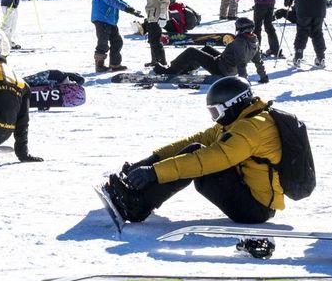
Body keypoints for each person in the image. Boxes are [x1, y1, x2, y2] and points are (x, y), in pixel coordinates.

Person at [102, 76, 286, 226]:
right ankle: (136, 191)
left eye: (216, 112)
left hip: (254, 209)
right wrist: (151, 160)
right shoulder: (242, 119)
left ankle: (137, 206)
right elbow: (199, 139)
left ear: (233, 104)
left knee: (196, 159)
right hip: (248, 192)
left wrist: (154, 172)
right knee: (195, 149)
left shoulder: (251, 129)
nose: (216, 119)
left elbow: (207, 159)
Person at [157, 18, 269, 84]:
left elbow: (241, 62)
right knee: (207, 49)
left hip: (222, 69)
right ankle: (186, 69)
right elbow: (257, 60)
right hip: (228, 65)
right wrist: (263, 77)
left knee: (191, 51)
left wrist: (243, 82)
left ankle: (170, 72)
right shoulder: (254, 40)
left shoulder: (240, 41)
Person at [91, 0, 143, 73]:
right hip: (101, 18)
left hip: (110, 18)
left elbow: (119, 0)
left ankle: (115, 65)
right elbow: (111, 0)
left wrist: (131, 9)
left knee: (117, 41)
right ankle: (99, 66)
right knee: (103, 43)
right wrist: (126, 9)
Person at [139, 0, 170, 72]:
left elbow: (164, 0)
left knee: (155, 41)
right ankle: (154, 61)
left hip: (157, 17)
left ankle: (162, 63)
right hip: (153, 16)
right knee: (152, 40)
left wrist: (163, 16)